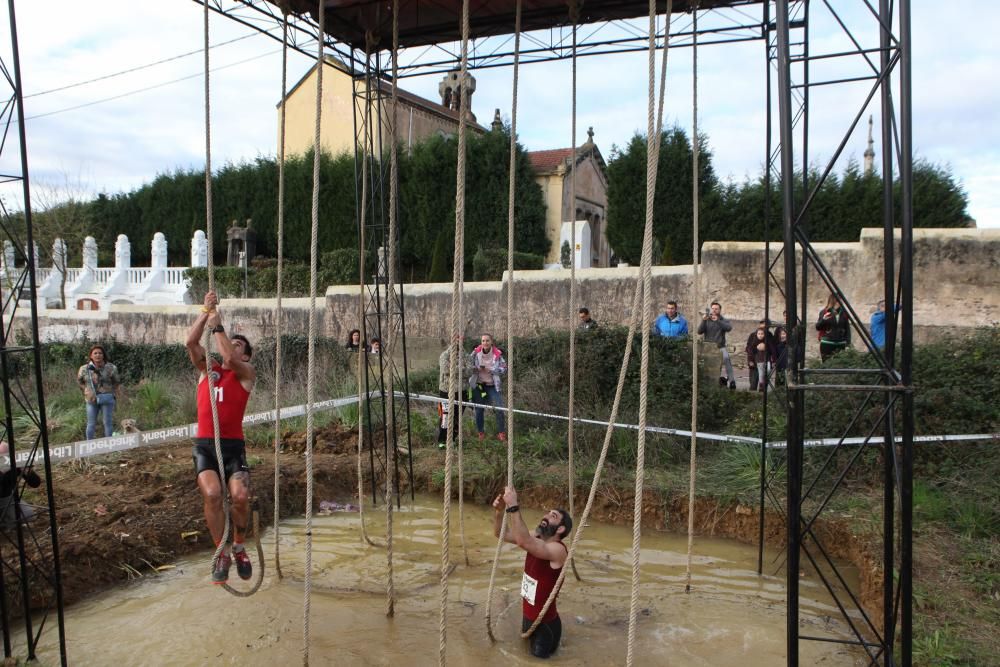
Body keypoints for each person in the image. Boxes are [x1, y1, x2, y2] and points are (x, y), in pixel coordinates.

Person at [185, 290, 256, 585]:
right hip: (205, 445)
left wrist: (218, 326)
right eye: (232, 342)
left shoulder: (246, 373)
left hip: (232, 448)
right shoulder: (207, 370)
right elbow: (190, 342)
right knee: (213, 495)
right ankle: (221, 551)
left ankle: (238, 544)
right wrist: (205, 311)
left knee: (240, 496)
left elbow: (227, 355)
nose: (233, 347)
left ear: (246, 356)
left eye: (239, 345)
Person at [493, 484, 572, 660]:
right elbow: (500, 533)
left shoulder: (558, 550)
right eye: (547, 513)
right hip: (528, 618)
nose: (545, 517)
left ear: (560, 529)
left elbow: (523, 541)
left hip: (546, 626)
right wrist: (499, 512)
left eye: (552, 516)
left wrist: (513, 506)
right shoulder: (535, 538)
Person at [466, 333, 507, 441]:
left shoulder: (497, 354)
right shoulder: (475, 353)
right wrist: (476, 368)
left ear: (491, 342)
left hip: (492, 385)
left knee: (499, 408)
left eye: (487, 340)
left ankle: (501, 433)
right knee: (479, 410)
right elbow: (468, 364)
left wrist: (493, 371)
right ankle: (481, 433)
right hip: (478, 385)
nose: (485, 343)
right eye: (483, 341)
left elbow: (504, 368)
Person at [77, 345, 122, 440]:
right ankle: (90, 446)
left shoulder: (111, 367)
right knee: (91, 423)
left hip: (107, 399)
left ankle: (109, 445)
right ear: (91, 356)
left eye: (100, 353)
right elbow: (80, 381)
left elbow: (117, 382)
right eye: (95, 353)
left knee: (107, 422)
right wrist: (86, 390)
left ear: (103, 355)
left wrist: (111, 392)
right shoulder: (84, 368)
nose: (98, 355)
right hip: (91, 400)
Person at [437, 335, 467, 449]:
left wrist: (455, 369)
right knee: (445, 416)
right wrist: (462, 369)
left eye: (460, 339)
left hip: (461, 391)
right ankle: (442, 440)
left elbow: (469, 371)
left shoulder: (466, 356)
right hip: (446, 390)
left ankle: (453, 438)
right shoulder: (445, 355)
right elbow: (446, 370)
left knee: (457, 416)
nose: (458, 342)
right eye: (456, 339)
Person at [697, 301, 735, 390]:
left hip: (720, 347)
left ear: (720, 310)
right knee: (705, 363)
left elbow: (729, 328)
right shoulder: (707, 320)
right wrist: (703, 320)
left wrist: (717, 321)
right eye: (713, 308)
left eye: (716, 309)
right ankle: (707, 382)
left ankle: (732, 381)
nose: (714, 310)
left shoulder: (723, 320)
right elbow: (699, 331)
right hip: (708, 348)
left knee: (726, 359)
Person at [816, 293, 851, 362]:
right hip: (827, 343)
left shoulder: (844, 313)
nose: (842, 302)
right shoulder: (824, 312)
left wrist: (848, 343)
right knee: (827, 365)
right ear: (834, 300)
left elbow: (847, 329)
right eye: (840, 300)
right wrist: (823, 320)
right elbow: (818, 327)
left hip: (841, 343)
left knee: (839, 365)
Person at [746, 322, 777, 391]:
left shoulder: (769, 336)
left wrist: (766, 347)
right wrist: (756, 348)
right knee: (753, 383)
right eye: (762, 324)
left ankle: (762, 390)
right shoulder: (753, 335)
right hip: (755, 360)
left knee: (765, 375)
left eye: (766, 325)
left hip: (766, 360)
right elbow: (748, 348)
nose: (764, 326)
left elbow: (773, 349)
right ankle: (753, 393)